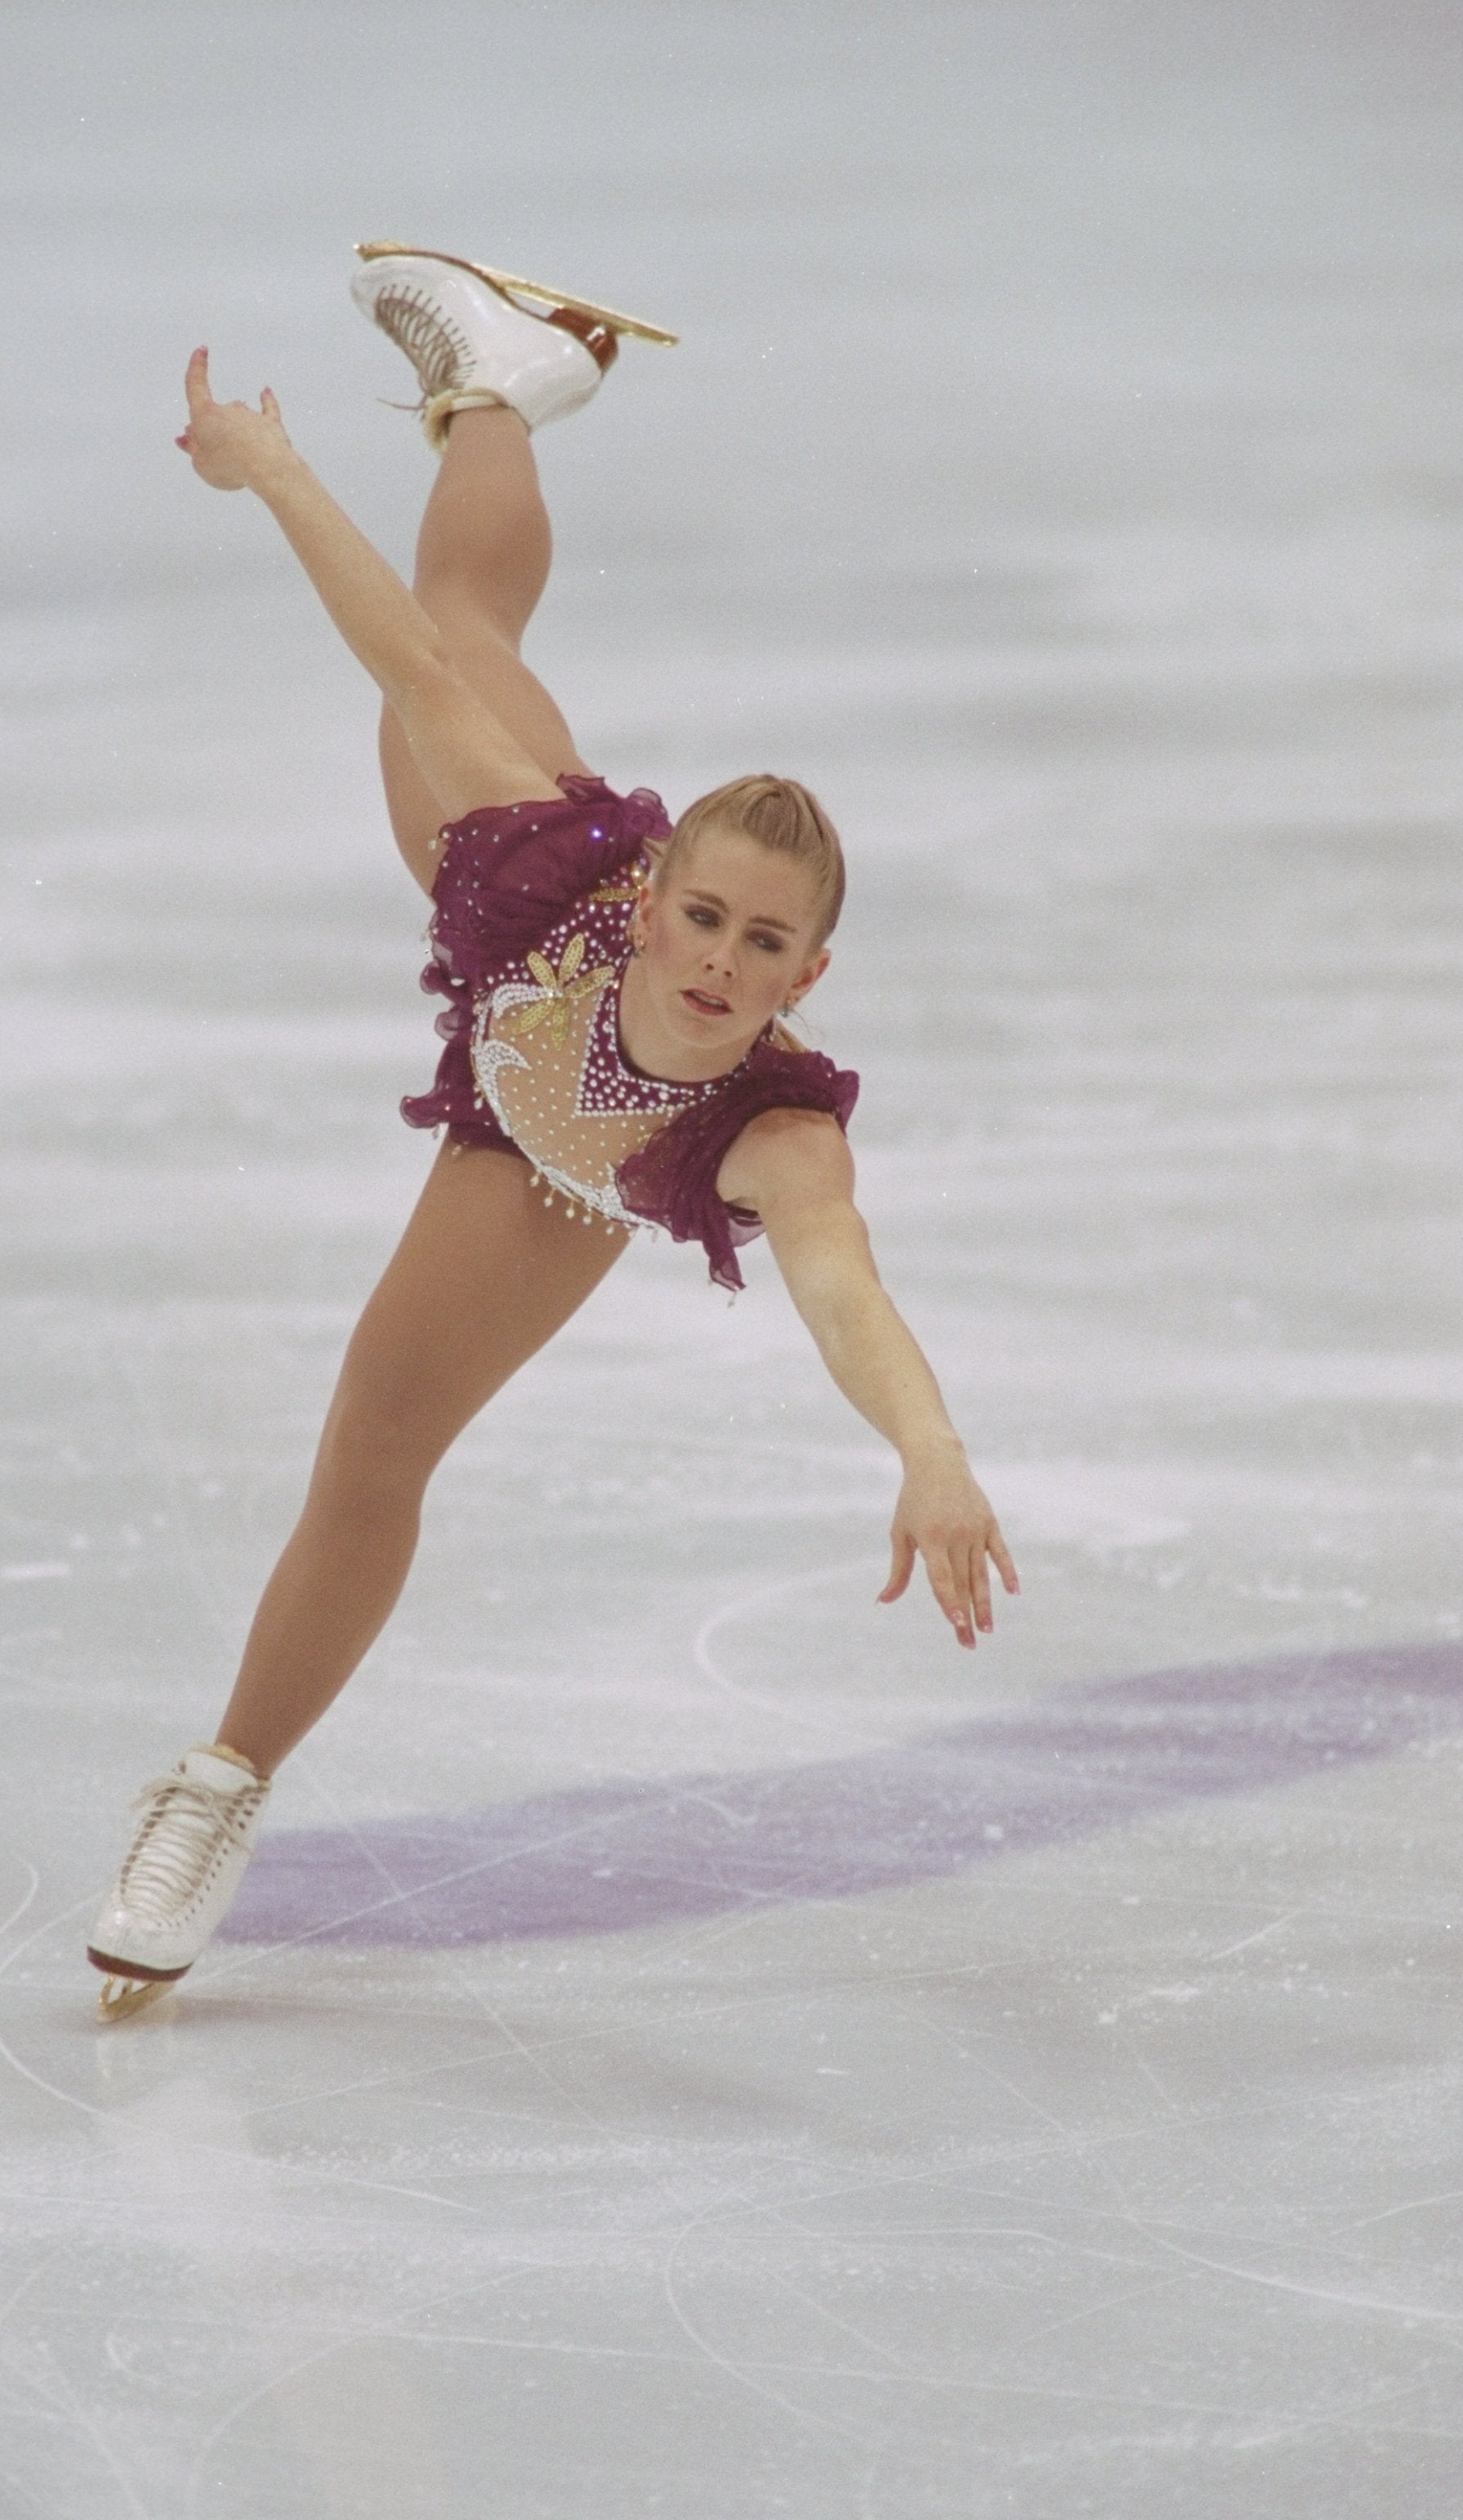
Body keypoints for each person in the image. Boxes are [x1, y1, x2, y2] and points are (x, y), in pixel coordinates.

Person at [87, 246, 1019, 2018]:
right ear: (651, 893)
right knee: (460, 641)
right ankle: (502, 382)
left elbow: (845, 1296)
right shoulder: (547, 867)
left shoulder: (769, 1130)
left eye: (764, 949)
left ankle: (217, 1792)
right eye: (703, 920)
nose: (721, 968)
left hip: (552, 1171)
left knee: (376, 1455)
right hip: (512, 955)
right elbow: (407, 658)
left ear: (806, 971)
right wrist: (277, 472)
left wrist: (933, 1453)